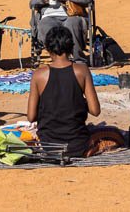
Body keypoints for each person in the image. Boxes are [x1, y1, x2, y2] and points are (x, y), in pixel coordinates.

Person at [26, 26, 102, 158]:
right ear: (71, 47)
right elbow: (95, 110)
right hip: (78, 145)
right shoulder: (81, 70)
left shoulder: (39, 75)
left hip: (49, 145)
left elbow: (31, 117)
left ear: (48, 48)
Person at [29, 0, 94, 60]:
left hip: (71, 15)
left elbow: (87, 0)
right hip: (50, 17)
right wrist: (42, 0)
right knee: (45, 24)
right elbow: (32, 3)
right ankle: (57, 59)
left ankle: (78, 59)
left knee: (72, 23)